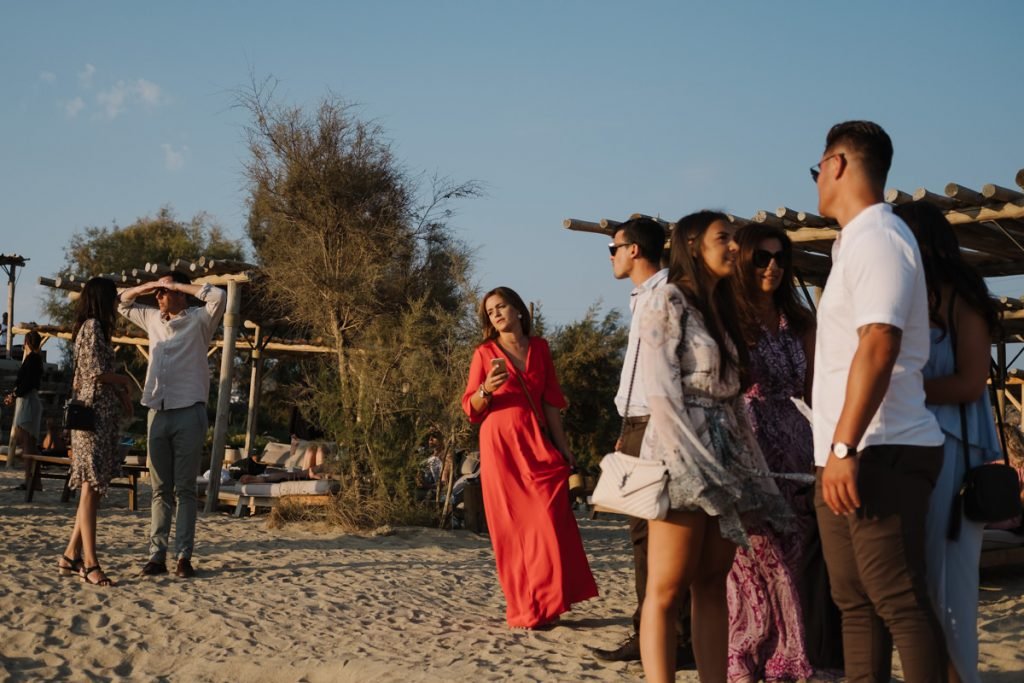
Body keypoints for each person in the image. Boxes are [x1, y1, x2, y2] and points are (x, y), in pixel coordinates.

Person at [810, 120, 947, 681]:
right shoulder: (852, 242)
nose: (817, 181)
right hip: (846, 452)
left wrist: (845, 446)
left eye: (817, 169)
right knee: (855, 603)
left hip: (881, 447)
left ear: (837, 164)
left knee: (899, 600)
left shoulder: (880, 237)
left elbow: (879, 341)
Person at [638, 211, 791, 683]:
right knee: (667, 587)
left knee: (712, 581)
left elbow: (734, 398)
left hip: (727, 456)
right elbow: (660, 391)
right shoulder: (668, 299)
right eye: (723, 237)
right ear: (692, 243)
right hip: (681, 454)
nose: (733, 246)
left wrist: (753, 472)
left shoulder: (719, 308)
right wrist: (690, 465)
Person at [895, 201, 1002, 683]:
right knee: (918, 579)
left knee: (949, 581)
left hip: (953, 447)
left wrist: (898, 387)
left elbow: (971, 383)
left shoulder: (961, 300)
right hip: (912, 445)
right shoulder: (908, 298)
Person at [461, 286, 598, 629]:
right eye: (490, 311)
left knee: (548, 522)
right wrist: (486, 389)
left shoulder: (541, 348)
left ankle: (549, 601)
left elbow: (551, 402)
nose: (495, 314)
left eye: (501, 306)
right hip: (501, 447)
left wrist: (563, 448)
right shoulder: (484, 353)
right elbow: (471, 410)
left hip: (536, 443)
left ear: (518, 310)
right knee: (513, 530)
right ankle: (528, 609)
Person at [592, 216, 694, 667]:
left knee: (657, 533)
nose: (611, 257)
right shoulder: (642, 296)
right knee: (643, 533)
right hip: (635, 424)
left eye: (613, 248)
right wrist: (625, 431)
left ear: (633, 249)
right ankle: (657, 633)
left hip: (657, 423)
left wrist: (650, 427)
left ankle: (668, 637)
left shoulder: (666, 293)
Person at [729, 223, 829, 680]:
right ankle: (748, 651)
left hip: (797, 442)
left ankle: (792, 653)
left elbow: (815, 390)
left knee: (794, 552)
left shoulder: (800, 321)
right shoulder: (728, 317)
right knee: (753, 557)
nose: (772, 267)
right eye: (761, 258)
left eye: (780, 258)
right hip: (748, 441)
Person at [119, 271, 226, 579]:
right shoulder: (152, 318)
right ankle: (156, 556)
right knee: (159, 489)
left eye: (164, 291)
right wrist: (151, 285)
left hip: (189, 411)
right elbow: (122, 303)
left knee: (185, 489)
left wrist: (177, 285)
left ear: (181, 293)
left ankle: (183, 557)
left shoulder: (200, 320)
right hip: (157, 410)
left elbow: (219, 296)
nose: (159, 296)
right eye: (158, 292)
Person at [59, 277, 134, 586]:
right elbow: (95, 373)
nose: (116, 303)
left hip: (97, 420)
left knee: (93, 489)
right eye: (114, 298)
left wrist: (120, 393)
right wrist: (123, 382)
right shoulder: (92, 327)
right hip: (91, 420)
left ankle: (70, 555)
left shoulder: (94, 329)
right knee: (90, 488)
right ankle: (90, 563)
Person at [8, 330, 44, 489]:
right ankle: (35, 481)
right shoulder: (35, 359)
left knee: (27, 445)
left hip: (28, 403)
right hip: (29, 402)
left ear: (27, 343)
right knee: (31, 444)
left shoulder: (32, 359)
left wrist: (14, 395)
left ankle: (29, 480)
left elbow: (26, 384)